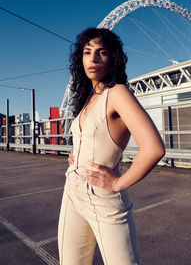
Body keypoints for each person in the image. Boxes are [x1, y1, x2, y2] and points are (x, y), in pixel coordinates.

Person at [58, 27, 165, 265]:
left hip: (103, 199)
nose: (93, 59)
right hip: (72, 191)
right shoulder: (88, 98)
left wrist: (118, 182)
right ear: (80, 58)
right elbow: (95, 135)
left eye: (101, 52)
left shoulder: (117, 93)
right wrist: (78, 152)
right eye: (87, 52)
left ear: (112, 58)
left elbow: (154, 148)